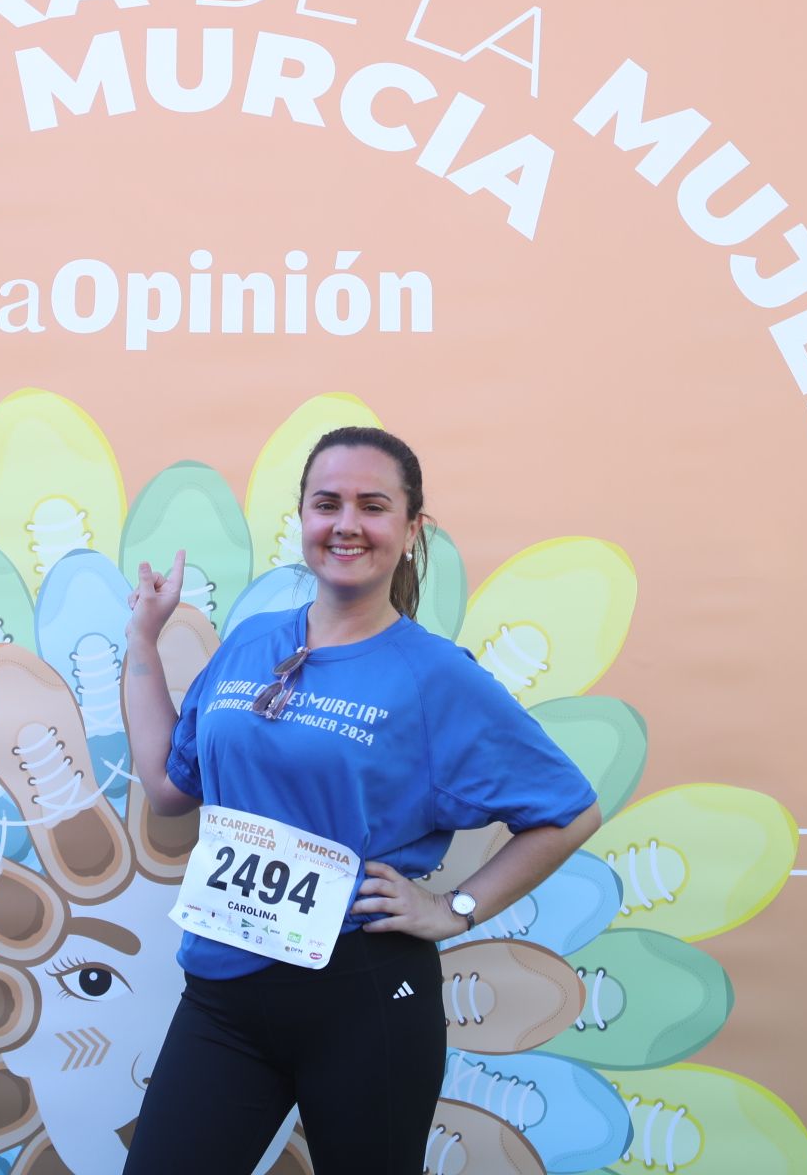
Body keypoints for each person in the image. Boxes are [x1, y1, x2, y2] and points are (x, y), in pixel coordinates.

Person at [118, 425, 603, 1175]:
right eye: (327, 503)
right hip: (222, 993)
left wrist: (456, 909)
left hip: (362, 996)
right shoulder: (252, 644)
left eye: (373, 506)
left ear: (411, 530)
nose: (346, 524)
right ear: (304, 519)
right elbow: (168, 787)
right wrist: (142, 642)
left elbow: (569, 811)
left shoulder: (435, 677)